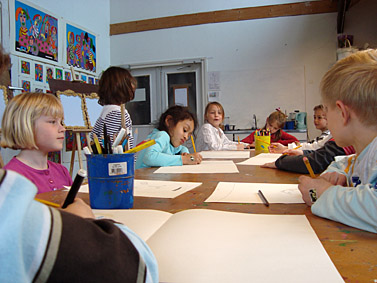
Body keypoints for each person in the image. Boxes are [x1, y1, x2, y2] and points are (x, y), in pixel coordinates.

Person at [0, 169, 158, 282]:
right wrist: (88, 222)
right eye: (52, 122)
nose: (63, 129)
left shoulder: (60, 170)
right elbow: (139, 270)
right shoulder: (11, 198)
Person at [298, 49, 377, 233]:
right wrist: (337, 172)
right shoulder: (366, 151)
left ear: (342, 113)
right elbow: (347, 162)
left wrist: (322, 193)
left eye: (326, 110)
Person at [1, 92, 73, 194]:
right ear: (26, 126)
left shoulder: (62, 171)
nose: (63, 129)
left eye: (61, 122)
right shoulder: (11, 178)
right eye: (52, 122)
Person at [136, 105, 202, 169]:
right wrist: (184, 159)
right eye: (184, 130)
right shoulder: (162, 135)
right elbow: (149, 157)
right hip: (142, 177)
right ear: (169, 121)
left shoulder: (171, 143)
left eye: (189, 135)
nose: (186, 137)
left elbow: (181, 148)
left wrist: (185, 153)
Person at [91, 66, 136, 149]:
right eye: (129, 83)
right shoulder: (116, 112)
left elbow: (93, 135)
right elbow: (110, 147)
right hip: (118, 160)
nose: (133, 86)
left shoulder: (107, 109)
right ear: (120, 87)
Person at [261, 139, 355, 174]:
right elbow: (319, 150)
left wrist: (281, 162)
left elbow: (315, 162)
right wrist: (304, 153)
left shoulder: (344, 141)